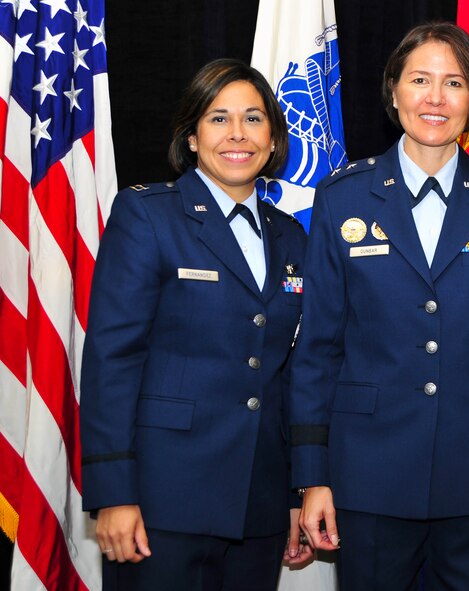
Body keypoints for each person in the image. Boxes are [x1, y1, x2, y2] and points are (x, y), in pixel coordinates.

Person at [288, 22, 469, 591]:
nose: (435, 98)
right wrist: (312, 476)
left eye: (454, 83)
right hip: (369, 473)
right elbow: (318, 348)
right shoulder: (344, 197)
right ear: (394, 92)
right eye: (420, 80)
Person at [80, 58, 312, 590]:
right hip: (163, 501)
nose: (238, 134)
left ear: (274, 138)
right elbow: (113, 360)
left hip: (259, 502)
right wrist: (114, 491)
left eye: (254, 119)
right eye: (218, 118)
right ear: (190, 137)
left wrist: (297, 493)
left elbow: (292, 374)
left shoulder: (293, 238)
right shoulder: (148, 217)